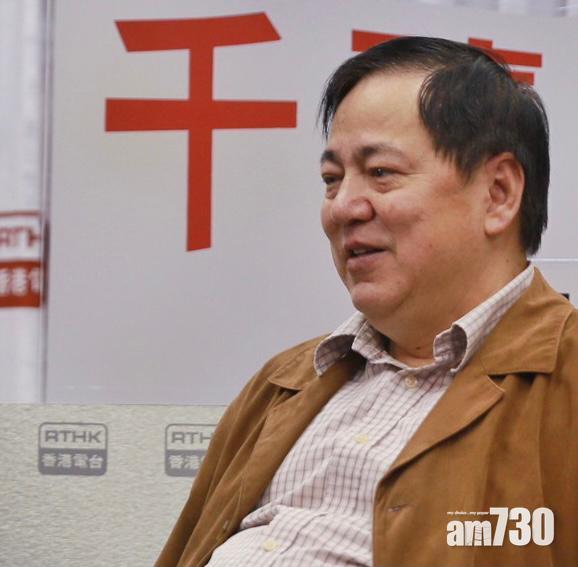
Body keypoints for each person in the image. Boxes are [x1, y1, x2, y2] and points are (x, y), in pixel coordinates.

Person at [156, 36, 577, 567]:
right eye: (332, 180)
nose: (344, 208)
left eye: (381, 173)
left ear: (498, 194)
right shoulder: (282, 385)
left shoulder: (564, 381)